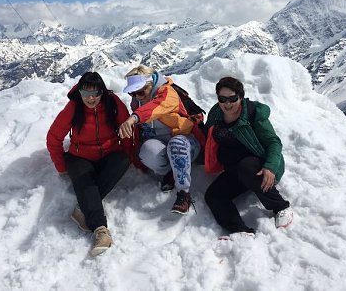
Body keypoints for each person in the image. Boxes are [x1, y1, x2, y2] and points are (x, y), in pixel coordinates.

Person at [46, 72, 132, 256]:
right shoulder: (74, 107)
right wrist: (61, 167)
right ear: (80, 92)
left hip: (109, 153)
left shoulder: (112, 103)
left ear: (102, 92)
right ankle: (101, 231)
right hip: (80, 157)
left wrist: (129, 154)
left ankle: (82, 209)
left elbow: (127, 129)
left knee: (123, 160)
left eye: (96, 93)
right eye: (86, 93)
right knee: (86, 184)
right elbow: (53, 137)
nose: (90, 98)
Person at [204, 76, 293, 236]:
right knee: (213, 195)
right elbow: (206, 136)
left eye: (232, 99)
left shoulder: (253, 114)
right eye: (222, 99)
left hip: (259, 166)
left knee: (247, 167)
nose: (227, 104)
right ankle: (240, 230)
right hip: (234, 171)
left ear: (240, 97)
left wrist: (270, 167)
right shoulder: (216, 113)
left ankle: (281, 207)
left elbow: (273, 142)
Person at [118, 66, 205, 214]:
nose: (137, 96)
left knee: (176, 145)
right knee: (147, 151)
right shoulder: (138, 100)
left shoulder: (168, 93)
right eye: (133, 93)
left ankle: (183, 193)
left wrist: (134, 118)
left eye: (140, 91)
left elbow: (156, 107)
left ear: (151, 84)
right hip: (161, 142)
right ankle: (170, 172)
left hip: (186, 141)